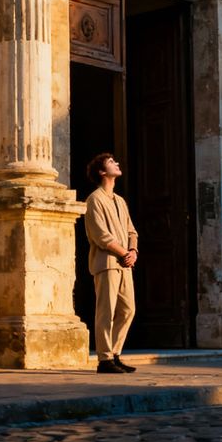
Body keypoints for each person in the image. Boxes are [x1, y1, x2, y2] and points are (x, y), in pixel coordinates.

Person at [83, 152, 138, 374]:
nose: (117, 163)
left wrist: (133, 251)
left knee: (128, 309)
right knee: (106, 311)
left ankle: (114, 353)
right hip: (106, 262)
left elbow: (131, 231)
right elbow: (100, 235)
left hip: (124, 263)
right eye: (111, 162)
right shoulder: (94, 199)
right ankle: (104, 359)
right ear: (102, 171)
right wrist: (124, 252)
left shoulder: (120, 201)